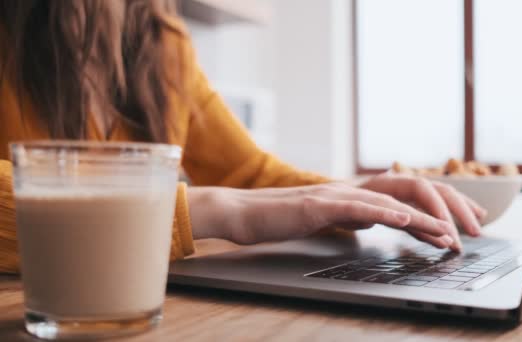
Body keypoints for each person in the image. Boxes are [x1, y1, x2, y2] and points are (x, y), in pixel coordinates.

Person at [0, 0, 486, 274]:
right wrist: (214, 210)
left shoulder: (164, 45)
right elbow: (236, 197)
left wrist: (357, 196)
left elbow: (248, 173)